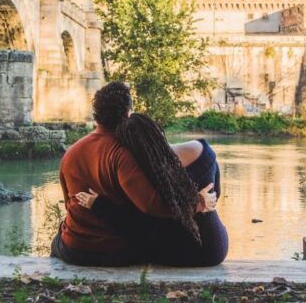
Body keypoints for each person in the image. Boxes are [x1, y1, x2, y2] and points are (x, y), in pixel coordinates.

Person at [51, 82, 216, 267]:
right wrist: (198, 203)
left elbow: (68, 203)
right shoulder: (123, 153)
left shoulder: (71, 153)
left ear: (96, 116)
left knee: (58, 238)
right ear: (128, 113)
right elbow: (151, 205)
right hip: (114, 251)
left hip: (73, 248)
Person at [75, 113, 229, 267]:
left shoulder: (145, 175)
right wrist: (198, 202)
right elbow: (216, 194)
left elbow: (131, 225)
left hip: (182, 251)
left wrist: (98, 204)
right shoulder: (200, 148)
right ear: (157, 131)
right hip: (217, 244)